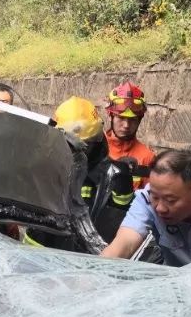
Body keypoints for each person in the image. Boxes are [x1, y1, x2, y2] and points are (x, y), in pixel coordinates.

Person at [24, 96, 134, 246]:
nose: (78, 151)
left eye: (86, 145)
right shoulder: (46, 169)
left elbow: (119, 220)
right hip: (40, 250)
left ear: (97, 140)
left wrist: (123, 183)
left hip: (87, 258)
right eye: (71, 145)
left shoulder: (110, 175)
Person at [105, 82, 156, 189]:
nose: (126, 125)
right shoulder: (95, 148)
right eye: (121, 118)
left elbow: (151, 200)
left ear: (139, 120)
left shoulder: (147, 157)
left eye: (132, 120)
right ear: (110, 115)